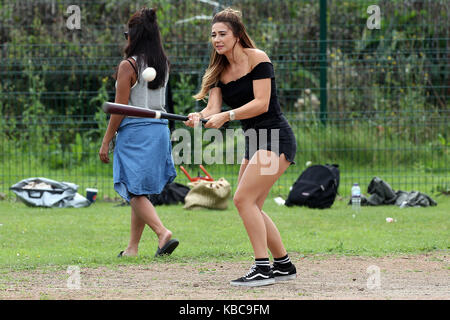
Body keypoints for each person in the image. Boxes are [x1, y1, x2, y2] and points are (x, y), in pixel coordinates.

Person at [185, 8, 297, 287]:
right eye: (213, 35)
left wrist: (228, 115)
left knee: (242, 200)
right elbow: (212, 109)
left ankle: (262, 267)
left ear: (236, 35)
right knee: (252, 204)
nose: (217, 39)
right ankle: (282, 264)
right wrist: (200, 117)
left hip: (274, 136)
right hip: (254, 141)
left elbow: (261, 102)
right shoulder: (217, 70)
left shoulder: (257, 58)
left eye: (222, 34)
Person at [99, 8, 179, 258]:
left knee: (132, 189)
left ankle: (162, 232)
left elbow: (119, 110)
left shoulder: (128, 65)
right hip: (159, 131)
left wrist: (106, 140)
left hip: (135, 133)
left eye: (127, 33)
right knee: (139, 191)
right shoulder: (163, 64)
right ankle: (132, 248)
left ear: (134, 35)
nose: (126, 38)